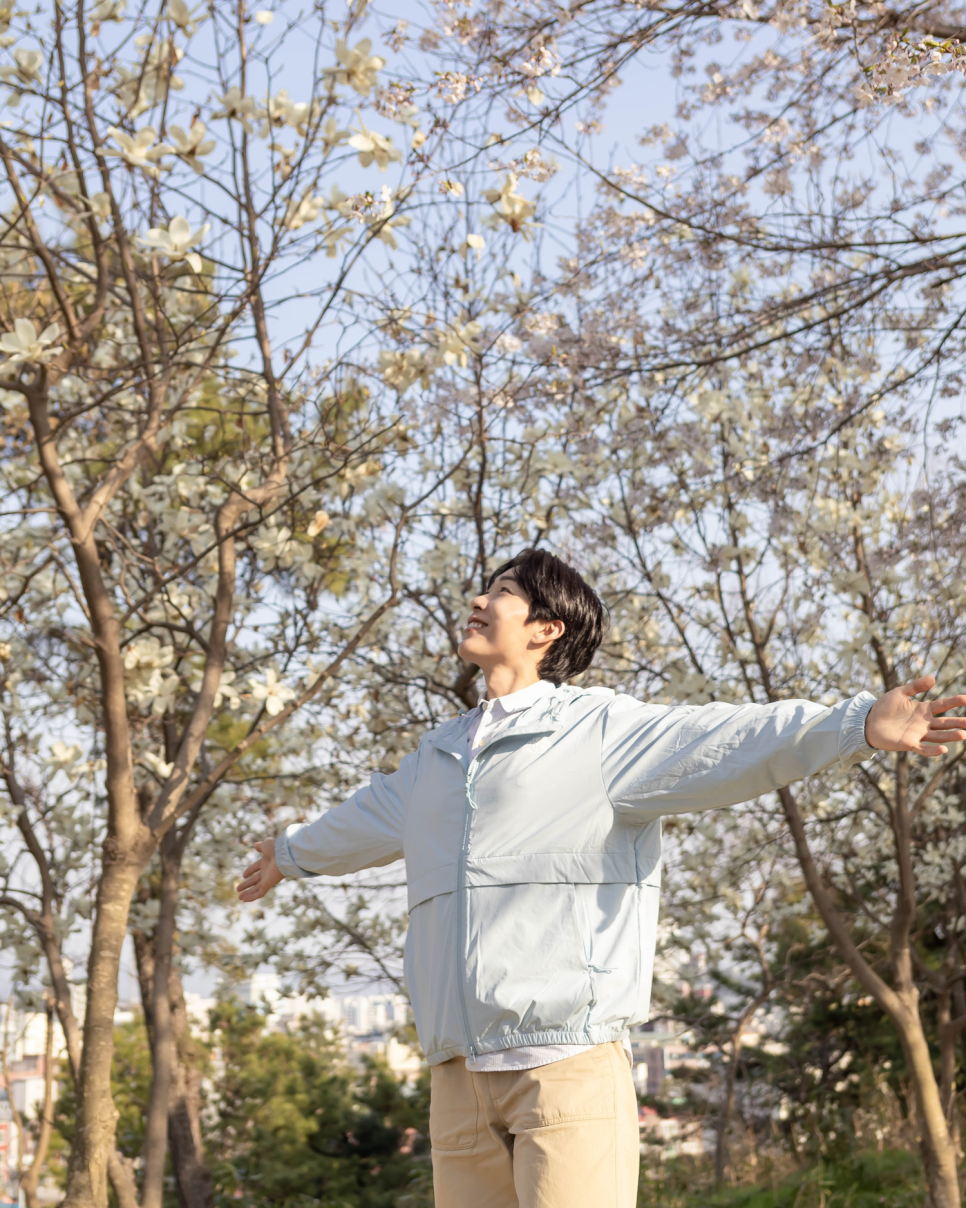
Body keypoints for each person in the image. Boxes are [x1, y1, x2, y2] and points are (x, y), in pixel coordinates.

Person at [236, 548, 966, 1208]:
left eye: (501, 592)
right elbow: (365, 816)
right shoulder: (436, 758)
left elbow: (730, 738)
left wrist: (858, 723)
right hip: (458, 1077)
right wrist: (289, 853)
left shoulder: (601, 734)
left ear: (546, 629)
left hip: (566, 1065)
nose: (479, 601)